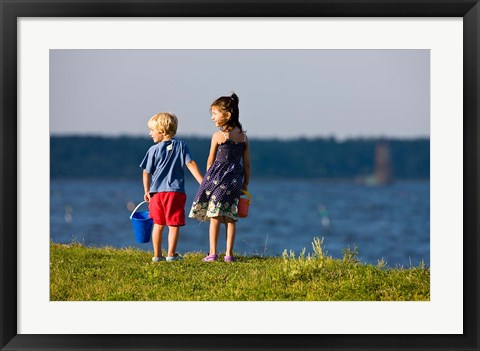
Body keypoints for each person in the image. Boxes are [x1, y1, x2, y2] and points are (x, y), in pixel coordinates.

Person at [189, 93, 251, 262]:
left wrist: (207, 182)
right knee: (231, 216)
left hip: (218, 179)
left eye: (215, 114)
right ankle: (229, 254)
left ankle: (213, 253)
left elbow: (210, 161)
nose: (212, 118)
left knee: (215, 216)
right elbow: (246, 165)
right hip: (235, 179)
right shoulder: (244, 137)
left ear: (227, 115)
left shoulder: (219, 136)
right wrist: (245, 182)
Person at [140, 112, 203, 262]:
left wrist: (147, 190)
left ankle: (157, 256)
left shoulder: (152, 150)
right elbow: (191, 164)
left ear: (162, 131)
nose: (150, 134)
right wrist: (202, 182)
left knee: (158, 224)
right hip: (175, 193)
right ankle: (171, 255)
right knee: (173, 225)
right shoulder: (182, 146)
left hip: (156, 193)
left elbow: (146, 172)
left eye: (152, 130)